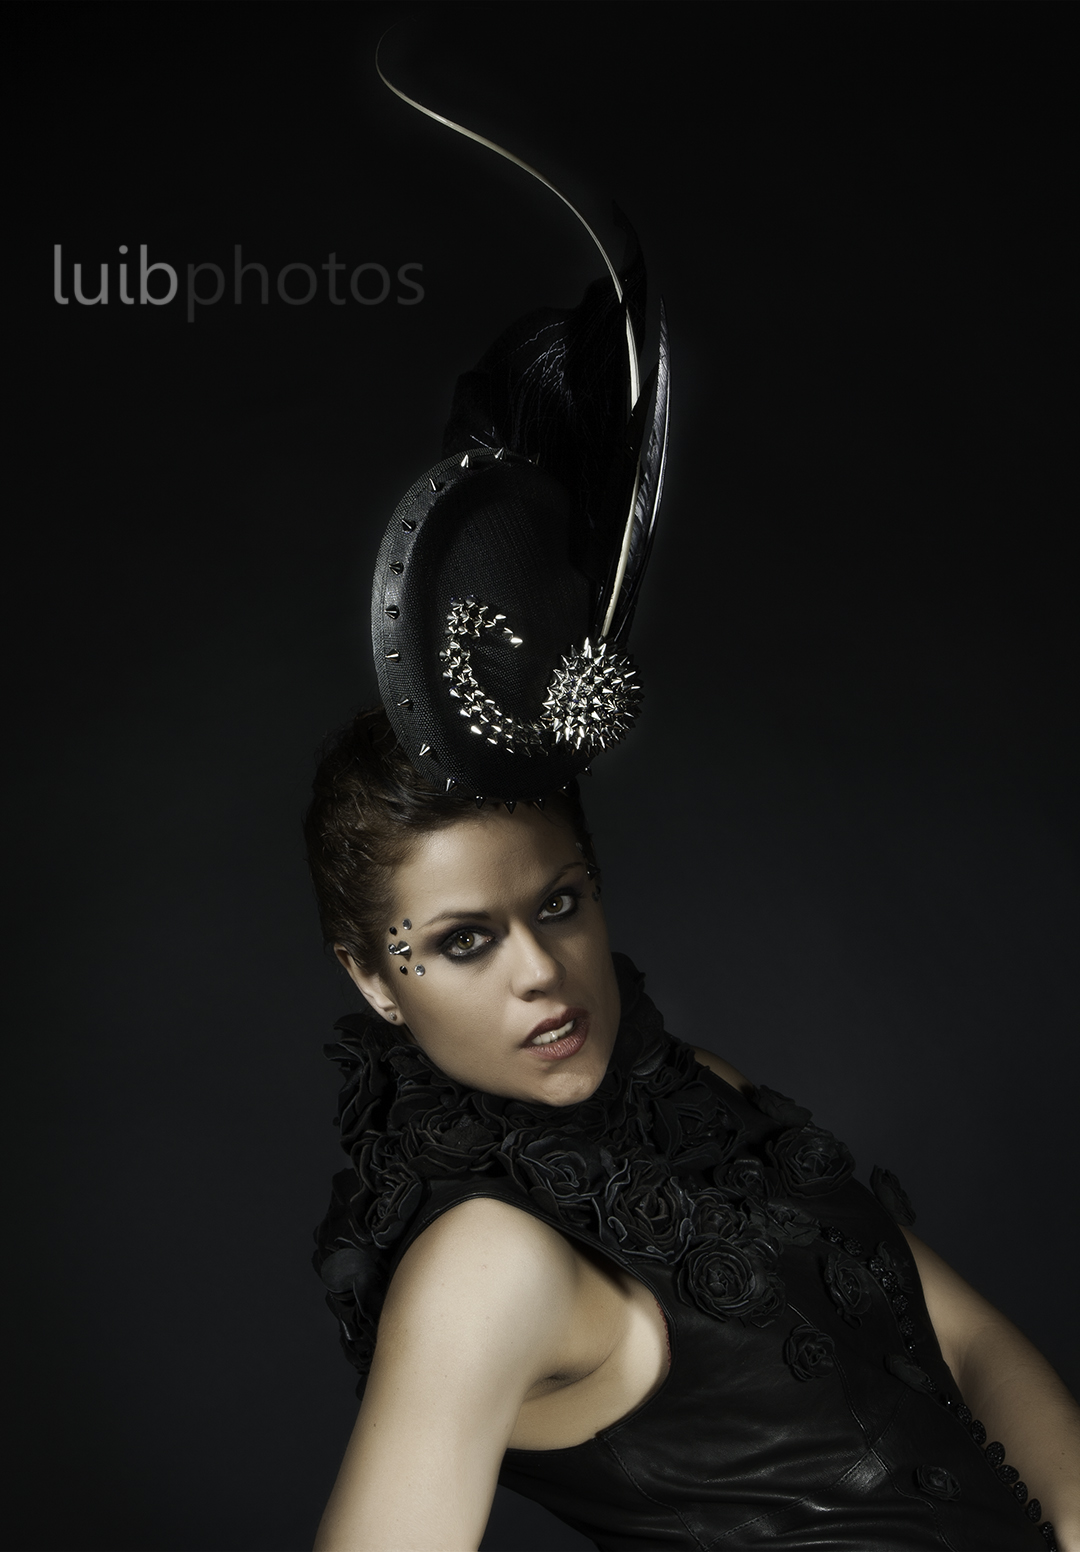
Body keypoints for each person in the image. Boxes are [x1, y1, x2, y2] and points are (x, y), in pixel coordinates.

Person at [307, 60, 1080, 1552]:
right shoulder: (481, 1268)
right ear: (372, 979)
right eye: (463, 942)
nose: (543, 971)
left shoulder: (691, 1094)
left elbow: (978, 1349)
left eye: (558, 904)